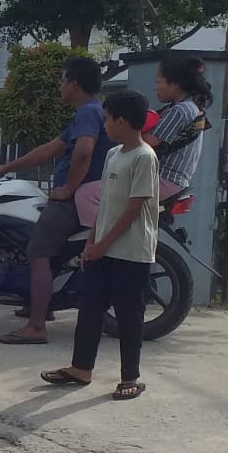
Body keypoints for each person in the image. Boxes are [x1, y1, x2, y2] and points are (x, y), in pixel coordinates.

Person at [40, 90, 159, 401]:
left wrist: (104, 243)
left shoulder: (144, 157)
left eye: (107, 119)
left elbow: (134, 208)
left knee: (129, 314)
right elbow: (106, 204)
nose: (104, 124)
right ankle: (81, 368)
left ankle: (130, 377)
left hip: (131, 251)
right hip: (102, 247)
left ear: (121, 120)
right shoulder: (113, 154)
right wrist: (91, 241)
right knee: (90, 308)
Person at [0, 56, 113, 345]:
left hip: (74, 199)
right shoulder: (90, 111)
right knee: (45, 249)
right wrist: (5, 168)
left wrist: (68, 188)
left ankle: (36, 326)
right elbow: (50, 149)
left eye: (62, 79)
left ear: (74, 83)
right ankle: (39, 305)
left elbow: (83, 152)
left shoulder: (88, 113)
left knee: (38, 252)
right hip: (82, 196)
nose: (59, 85)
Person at [75, 55, 212, 227]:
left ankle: (101, 242)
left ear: (175, 84)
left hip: (162, 179)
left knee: (86, 194)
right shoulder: (191, 108)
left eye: (159, 82)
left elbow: (147, 142)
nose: (157, 88)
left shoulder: (180, 110)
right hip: (171, 181)